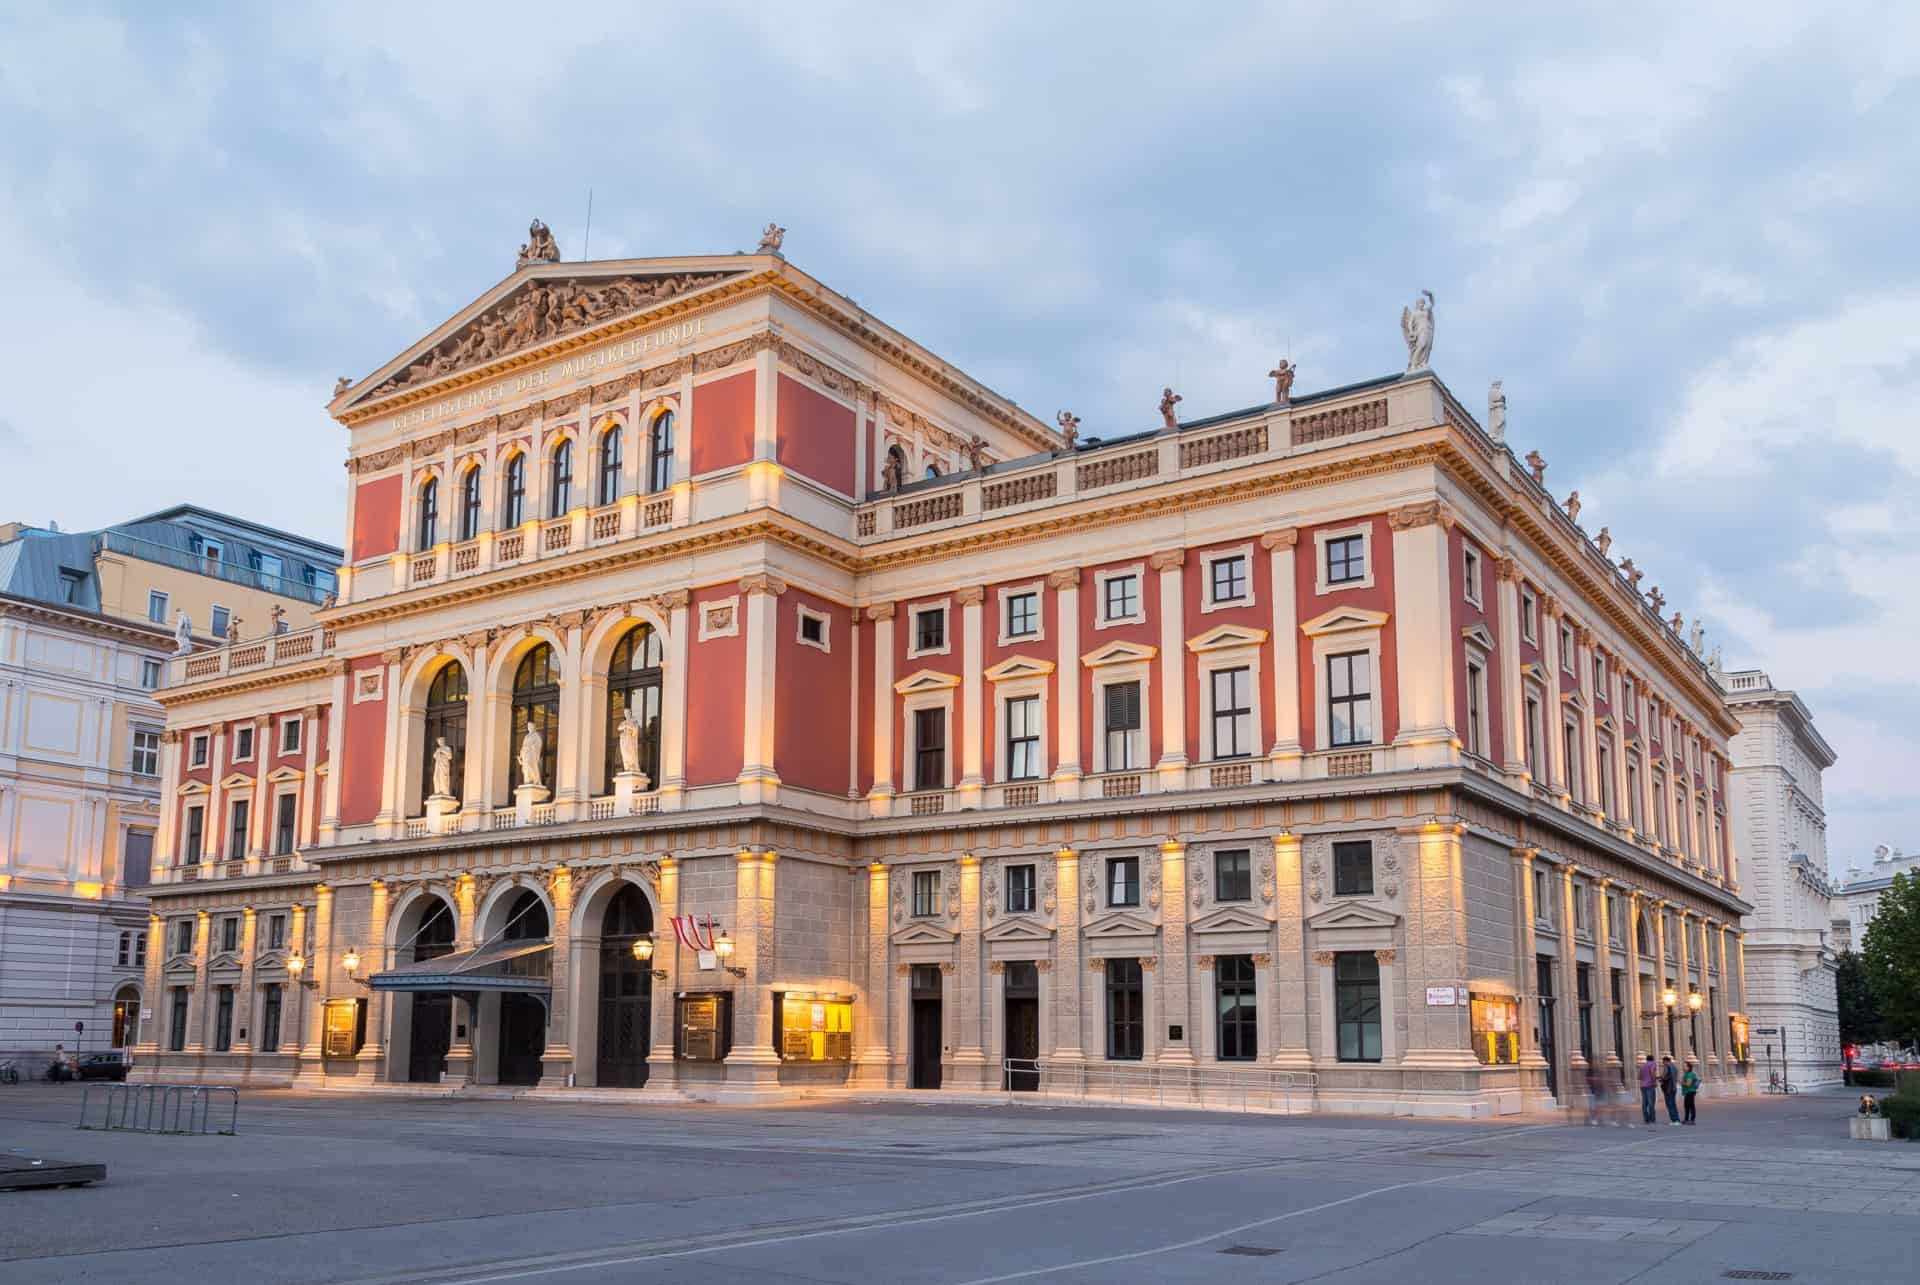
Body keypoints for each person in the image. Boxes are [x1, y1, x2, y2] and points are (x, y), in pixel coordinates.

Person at [1660, 1055, 1682, 1125]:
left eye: (1663, 1062)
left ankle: (1674, 1120)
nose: (1663, 1064)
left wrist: (1659, 1078)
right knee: (1673, 1104)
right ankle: (1677, 1119)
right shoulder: (1674, 1067)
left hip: (1668, 1088)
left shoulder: (1667, 1066)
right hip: (1674, 1087)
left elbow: (1664, 1076)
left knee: (1669, 1104)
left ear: (1665, 1061)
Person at [1638, 1053, 1658, 1126]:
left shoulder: (1642, 1066)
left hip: (1643, 1086)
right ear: (1653, 1059)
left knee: (1644, 1103)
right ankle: (1652, 1119)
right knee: (1651, 1102)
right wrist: (1654, 1081)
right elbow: (1652, 1072)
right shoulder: (1653, 1064)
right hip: (1650, 1085)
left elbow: (1639, 1076)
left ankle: (1646, 1118)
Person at [1584, 1060, 1606, 1126]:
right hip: (1592, 1091)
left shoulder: (1599, 1071)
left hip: (1599, 1092)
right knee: (1593, 1107)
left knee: (1599, 1107)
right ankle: (1591, 1119)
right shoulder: (1589, 1072)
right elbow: (1587, 1081)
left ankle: (1599, 1119)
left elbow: (1601, 1081)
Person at [1681, 1058, 1701, 1125]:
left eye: (1684, 1066)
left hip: (1690, 1092)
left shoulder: (1690, 1074)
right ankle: (1686, 1119)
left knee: (1690, 1105)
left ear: (1688, 1067)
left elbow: (1688, 1084)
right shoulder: (1686, 1074)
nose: (1683, 1068)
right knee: (1686, 1106)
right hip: (1687, 1092)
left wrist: (1682, 1082)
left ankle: (1692, 1120)